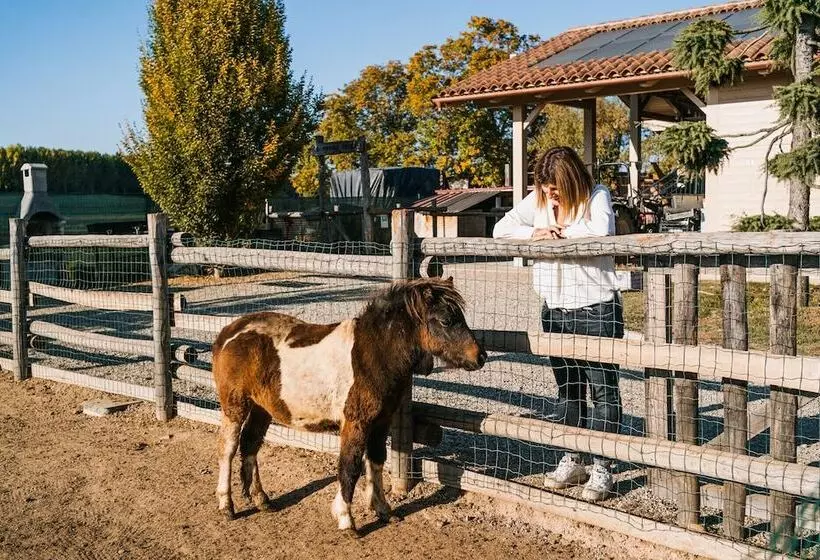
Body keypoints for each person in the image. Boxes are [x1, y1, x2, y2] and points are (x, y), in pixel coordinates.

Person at [492, 146, 624, 502]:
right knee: (568, 388)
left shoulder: (597, 196)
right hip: (556, 309)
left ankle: (603, 464)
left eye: (556, 187)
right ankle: (572, 456)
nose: (551, 194)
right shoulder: (537, 202)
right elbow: (500, 230)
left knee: (603, 389)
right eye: (545, 187)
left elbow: (602, 233)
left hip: (595, 307)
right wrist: (534, 234)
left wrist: (561, 232)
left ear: (571, 179)